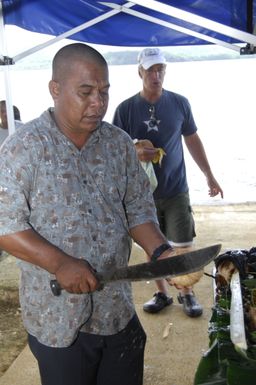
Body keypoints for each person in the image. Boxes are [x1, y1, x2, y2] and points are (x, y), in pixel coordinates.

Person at [0, 43, 201, 385]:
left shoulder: (119, 144)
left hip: (116, 309)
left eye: (104, 92)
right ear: (55, 89)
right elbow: (6, 224)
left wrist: (161, 252)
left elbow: (137, 208)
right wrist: (59, 263)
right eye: (86, 92)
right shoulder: (23, 147)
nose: (98, 102)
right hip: (57, 317)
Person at [112, 47, 224, 318]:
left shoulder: (180, 103)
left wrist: (209, 175)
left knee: (183, 244)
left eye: (160, 68)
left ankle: (187, 293)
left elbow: (192, 139)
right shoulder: (125, 109)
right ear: (139, 72)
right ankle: (162, 292)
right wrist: (135, 151)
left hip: (176, 189)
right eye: (150, 69)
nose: (156, 74)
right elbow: (113, 150)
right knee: (154, 247)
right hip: (141, 194)